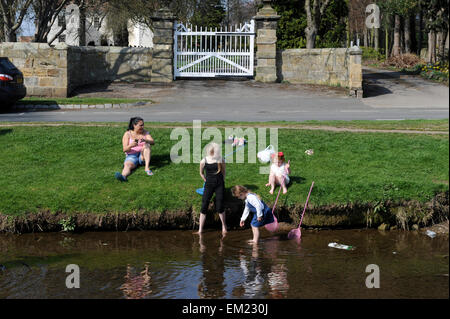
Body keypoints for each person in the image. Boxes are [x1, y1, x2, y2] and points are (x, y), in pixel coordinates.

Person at [195, 142, 227, 234]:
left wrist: (222, 180)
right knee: (204, 203)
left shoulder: (221, 159)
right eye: (214, 152)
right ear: (210, 152)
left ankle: (224, 226)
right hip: (209, 184)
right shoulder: (204, 161)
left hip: (219, 184)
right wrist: (205, 179)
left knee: (220, 204)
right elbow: (201, 173)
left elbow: (224, 171)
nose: (216, 154)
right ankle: (200, 229)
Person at [115, 117, 154, 182]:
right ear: (134, 125)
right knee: (127, 165)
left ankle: (147, 168)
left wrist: (145, 140)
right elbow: (124, 149)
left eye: (143, 125)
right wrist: (131, 145)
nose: (143, 126)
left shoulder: (145, 132)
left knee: (147, 145)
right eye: (140, 125)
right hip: (132, 156)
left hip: (143, 155)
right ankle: (123, 176)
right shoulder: (127, 134)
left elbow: (152, 142)